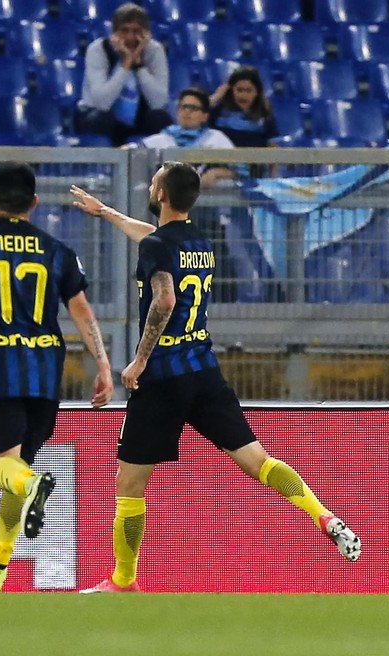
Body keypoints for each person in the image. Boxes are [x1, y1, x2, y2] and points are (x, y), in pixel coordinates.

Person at [69, 163, 361, 594]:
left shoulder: (157, 246)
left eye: (155, 179)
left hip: (162, 377)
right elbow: (151, 239)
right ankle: (323, 515)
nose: (151, 184)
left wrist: (139, 361)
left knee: (129, 484)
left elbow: (163, 300)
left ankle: (123, 581)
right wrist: (107, 212)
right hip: (204, 371)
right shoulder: (199, 243)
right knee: (258, 461)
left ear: (162, 194)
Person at [0, 162, 114, 596]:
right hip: (45, 373)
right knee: (16, 466)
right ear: (34, 203)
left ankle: (33, 487)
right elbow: (82, 310)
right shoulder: (57, 250)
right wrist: (104, 364)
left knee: (2, 469)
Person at [76, 2, 171, 147]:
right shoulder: (97, 50)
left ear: (146, 34)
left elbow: (159, 102)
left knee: (160, 118)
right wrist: (125, 64)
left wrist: (139, 65)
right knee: (101, 118)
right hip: (100, 115)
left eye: (136, 31)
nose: (130, 38)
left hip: (139, 116)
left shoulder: (154, 50)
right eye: (124, 30)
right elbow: (102, 103)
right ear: (114, 33)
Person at [128, 88, 236, 189]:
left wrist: (216, 173)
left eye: (193, 108)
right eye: (183, 107)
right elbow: (130, 151)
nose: (187, 111)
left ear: (205, 116)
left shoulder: (216, 138)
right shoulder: (163, 138)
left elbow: (239, 169)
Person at [209, 66, 279, 150]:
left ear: (257, 92)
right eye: (239, 90)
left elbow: (272, 146)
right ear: (231, 90)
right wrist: (216, 97)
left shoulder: (264, 114)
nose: (243, 95)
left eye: (249, 90)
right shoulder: (218, 111)